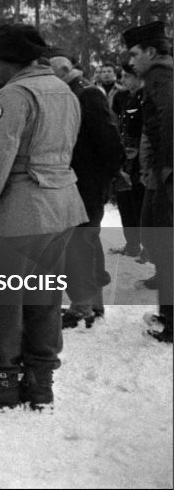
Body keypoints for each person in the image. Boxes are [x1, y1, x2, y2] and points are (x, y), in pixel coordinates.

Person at [0, 23, 87, 410]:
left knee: (0, 299)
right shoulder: (64, 90)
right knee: (44, 298)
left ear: (4, 62)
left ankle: (3, 381)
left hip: (18, 212)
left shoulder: (13, 95)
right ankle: (41, 383)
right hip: (61, 206)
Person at [47, 49, 124, 329]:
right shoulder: (75, 93)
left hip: (87, 183)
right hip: (82, 181)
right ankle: (92, 303)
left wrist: (105, 178)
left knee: (81, 242)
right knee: (85, 241)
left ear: (65, 70)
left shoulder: (86, 95)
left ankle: (84, 307)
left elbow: (109, 141)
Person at [123, 21, 172, 343]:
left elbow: (170, 118)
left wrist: (167, 168)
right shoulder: (159, 75)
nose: (131, 62)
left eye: (135, 54)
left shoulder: (159, 76)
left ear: (152, 52)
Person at [110, 65, 146, 262]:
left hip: (142, 161)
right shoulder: (124, 98)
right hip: (126, 159)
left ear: (137, 76)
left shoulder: (147, 97)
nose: (123, 80)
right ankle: (132, 245)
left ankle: (148, 248)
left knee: (141, 205)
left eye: (127, 76)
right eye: (122, 76)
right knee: (126, 203)